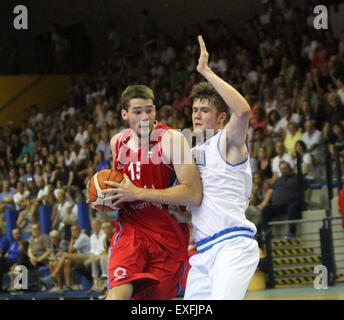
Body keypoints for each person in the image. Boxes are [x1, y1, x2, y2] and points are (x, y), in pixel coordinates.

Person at [103, 35, 259, 300]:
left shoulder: (228, 143)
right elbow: (200, 201)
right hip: (203, 249)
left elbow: (243, 112)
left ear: (221, 118)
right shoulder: (192, 150)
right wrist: (181, 216)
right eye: (195, 109)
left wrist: (206, 71)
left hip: (232, 244)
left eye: (205, 110)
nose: (197, 114)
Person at [101, 83, 202, 300]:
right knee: (117, 294)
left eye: (149, 110)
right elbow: (120, 190)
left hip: (167, 234)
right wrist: (104, 200)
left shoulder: (173, 139)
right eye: (138, 112)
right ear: (125, 114)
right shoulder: (117, 143)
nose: (145, 117)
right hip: (131, 229)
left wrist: (138, 193)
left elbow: (193, 193)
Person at [259, 161, 304, 238]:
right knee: (266, 210)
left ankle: (292, 232)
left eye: (285, 168)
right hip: (278, 205)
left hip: (292, 203)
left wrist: (307, 199)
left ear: (289, 168)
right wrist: (264, 202)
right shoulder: (277, 180)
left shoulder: (297, 178)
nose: (284, 170)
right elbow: (270, 191)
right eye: (282, 169)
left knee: (292, 208)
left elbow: (307, 188)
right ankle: (267, 232)